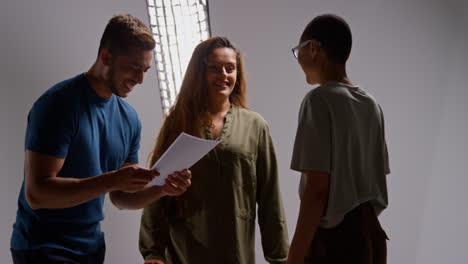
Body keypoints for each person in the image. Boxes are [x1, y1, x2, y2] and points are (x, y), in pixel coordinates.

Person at [10, 14, 191, 264]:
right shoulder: (57, 105)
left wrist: (162, 189)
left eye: (145, 70)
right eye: (134, 68)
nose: (140, 79)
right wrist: (113, 179)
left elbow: (121, 197)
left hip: (92, 248)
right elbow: (38, 194)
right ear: (106, 57)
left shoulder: (129, 119)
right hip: (43, 247)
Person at [139, 36, 290, 264]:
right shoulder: (178, 122)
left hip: (236, 254)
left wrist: (280, 258)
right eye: (214, 68)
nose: (223, 75)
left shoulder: (255, 126)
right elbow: (156, 191)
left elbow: (271, 201)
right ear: (200, 73)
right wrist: (153, 253)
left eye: (230, 68)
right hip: (183, 254)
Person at [286, 14, 390, 264]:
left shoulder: (319, 100)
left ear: (313, 48)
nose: (298, 59)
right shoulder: (370, 104)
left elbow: (317, 190)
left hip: (335, 245)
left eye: (297, 51)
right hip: (371, 238)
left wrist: (295, 257)